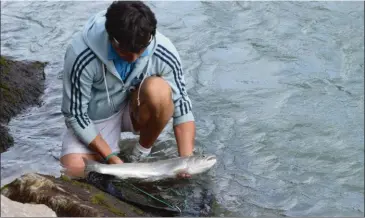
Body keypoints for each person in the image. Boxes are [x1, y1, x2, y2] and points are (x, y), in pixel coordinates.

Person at [60, 1, 195, 178]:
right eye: (124, 51)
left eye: (140, 51)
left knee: (159, 90)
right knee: (74, 171)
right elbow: (75, 114)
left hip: (136, 108)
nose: (133, 58)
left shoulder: (163, 49)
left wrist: (186, 162)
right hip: (96, 117)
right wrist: (110, 157)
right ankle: (107, 151)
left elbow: (182, 106)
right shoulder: (80, 54)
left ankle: (141, 152)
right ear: (111, 37)